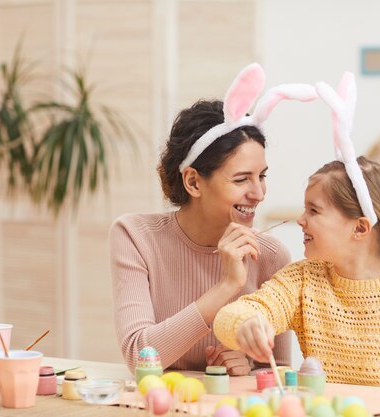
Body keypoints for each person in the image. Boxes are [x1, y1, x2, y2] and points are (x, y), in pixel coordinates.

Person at [213, 72, 380, 393]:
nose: (301, 220)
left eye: (314, 211)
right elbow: (230, 316)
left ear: (360, 227)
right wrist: (246, 324)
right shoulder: (302, 281)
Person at [109, 63, 316, 375]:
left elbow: (278, 372)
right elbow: (141, 356)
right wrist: (228, 284)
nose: (258, 193)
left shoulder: (271, 257)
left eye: (261, 176)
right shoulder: (135, 237)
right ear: (193, 182)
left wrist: (249, 367)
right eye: (241, 179)